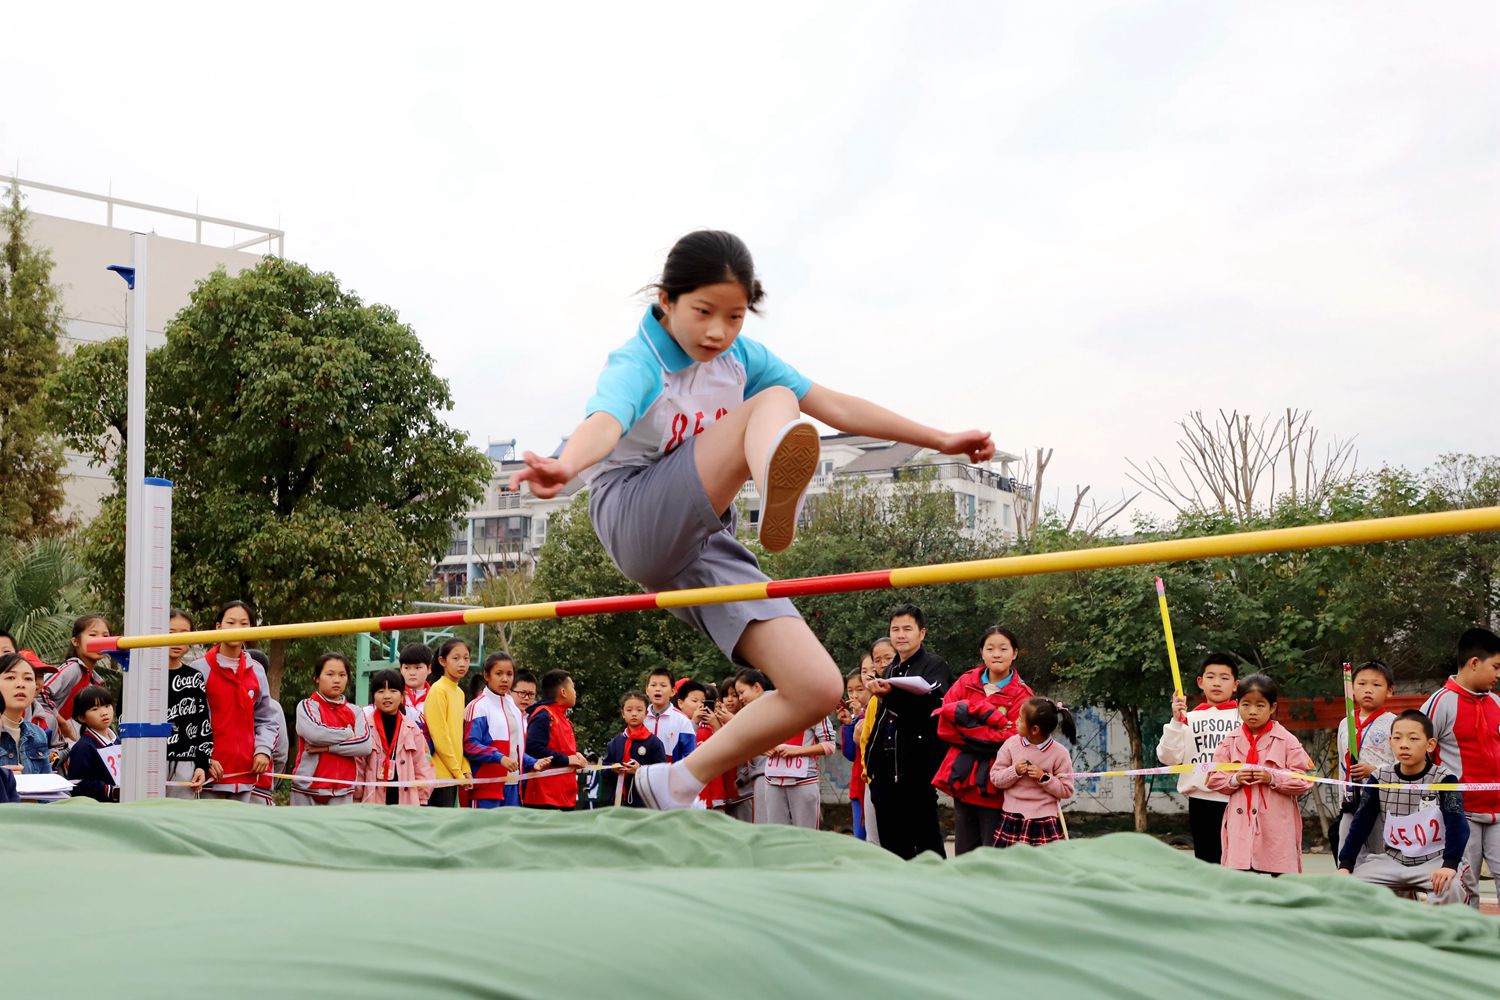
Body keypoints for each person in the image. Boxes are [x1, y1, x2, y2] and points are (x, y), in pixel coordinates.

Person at [509, 231, 994, 811]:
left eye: (735, 317)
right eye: (703, 313)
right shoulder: (639, 360)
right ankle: (773, 485)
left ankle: (676, 781)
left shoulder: (741, 359)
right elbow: (606, 420)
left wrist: (940, 439)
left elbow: (838, 406)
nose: (718, 332)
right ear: (666, 300)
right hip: (635, 511)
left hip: (705, 537)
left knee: (816, 685)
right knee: (774, 405)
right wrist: (565, 464)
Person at [1338, 709, 1476, 906]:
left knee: (1448, 886)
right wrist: (1346, 864)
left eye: (1413, 738)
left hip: (1434, 860)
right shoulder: (1380, 778)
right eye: (1397, 738)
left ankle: (1448, 933)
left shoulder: (1445, 779)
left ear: (1430, 745)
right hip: (1392, 860)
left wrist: (1450, 864)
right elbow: (1361, 824)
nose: (1404, 744)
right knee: (1349, 886)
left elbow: (1457, 824)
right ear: (1390, 741)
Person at [933, 626, 1035, 854]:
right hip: (963, 781)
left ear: (1015, 653)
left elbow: (1013, 740)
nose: (996, 654)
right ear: (982, 653)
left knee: (994, 853)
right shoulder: (965, 682)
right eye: (990, 648)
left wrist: (967, 729)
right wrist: (989, 731)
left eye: (1003, 648)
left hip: (997, 786)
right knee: (964, 853)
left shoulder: (1023, 695)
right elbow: (945, 727)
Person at [863, 604, 953, 859]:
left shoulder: (934, 665)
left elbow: (935, 709)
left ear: (921, 633)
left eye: (907, 629)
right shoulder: (892, 670)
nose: (900, 635)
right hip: (883, 772)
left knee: (927, 846)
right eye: (895, 629)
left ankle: (934, 895)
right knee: (893, 848)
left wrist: (892, 696)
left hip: (916, 771)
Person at [1420, 626, 1500, 907]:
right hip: (1460, 813)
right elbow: (1419, 755)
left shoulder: (1497, 703)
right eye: (1496, 666)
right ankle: (1467, 946)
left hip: (1498, 813)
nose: (1498, 674)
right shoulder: (1439, 703)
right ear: (1475, 662)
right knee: (1466, 886)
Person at [1204, 674, 1314, 875]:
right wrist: (1235, 778)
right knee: (1242, 884)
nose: (1252, 711)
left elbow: (1305, 780)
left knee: (1282, 885)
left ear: (1272, 707)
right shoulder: (1230, 741)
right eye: (1246, 705)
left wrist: (1272, 778)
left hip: (1277, 826)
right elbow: (1213, 778)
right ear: (1237, 705)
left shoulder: (1287, 740)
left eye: (1260, 706)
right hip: (1240, 827)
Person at [190, 602, 281, 802]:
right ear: (218, 627)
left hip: (246, 776)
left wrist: (263, 751)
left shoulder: (256, 671)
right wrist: (203, 759)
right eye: (230, 622)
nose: (236, 629)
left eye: (243, 623)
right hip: (209, 777)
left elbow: (267, 719)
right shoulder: (199, 670)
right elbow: (190, 722)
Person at [1155, 653, 1241, 864]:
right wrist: (1176, 722)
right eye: (1211, 677)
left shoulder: (1244, 717)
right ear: (1200, 682)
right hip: (1202, 800)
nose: (1217, 683)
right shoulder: (1188, 718)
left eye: (1224, 677)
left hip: (1239, 798)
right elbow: (1167, 757)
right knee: (1207, 862)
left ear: (1236, 685)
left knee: (1239, 861)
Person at [990, 698, 1076, 848]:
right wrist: (1014, 770)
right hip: (1012, 818)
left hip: (1043, 820)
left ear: (1035, 729)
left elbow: (1066, 790)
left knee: (1042, 869)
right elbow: (996, 778)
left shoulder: (1059, 753)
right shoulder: (1011, 745)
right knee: (1010, 868)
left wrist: (1043, 777)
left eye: (1021, 719)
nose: (1016, 721)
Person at [1335, 660, 1397, 862]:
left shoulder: (1395, 723)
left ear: (1390, 691)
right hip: (1351, 804)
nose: (1368, 690)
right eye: (1361, 684)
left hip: (1382, 805)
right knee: (1347, 858)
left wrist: (1375, 771)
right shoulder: (1345, 722)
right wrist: (1342, 800)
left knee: (1383, 860)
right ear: (1352, 688)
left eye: (1376, 685)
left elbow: (1403, 766)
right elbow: (1342, 767)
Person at [357, 670, 436, 806]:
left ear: (402, 696)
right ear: (373, 696)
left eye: (393, 691)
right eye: (381, 691)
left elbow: (424, 767)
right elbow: (358, 768)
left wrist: (421, 799)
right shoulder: (363, 728)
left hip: (406, 805)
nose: (387, 696)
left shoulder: (413, 730)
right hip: (371, 804)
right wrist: (356, 799)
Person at [464, 653, 532, 808]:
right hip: (486, 787)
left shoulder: (513, 706)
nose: (505, 679)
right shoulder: (478, 706)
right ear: (486, 675)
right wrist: (499, 758)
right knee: (484, 832)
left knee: (510, 832)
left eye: (509, 674)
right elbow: (469, 745)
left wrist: (533, 762)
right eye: (499, 673)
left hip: (513, 785)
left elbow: (513, 748)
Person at [38, 614, 113, 741]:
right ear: (75, 641)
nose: (100, 640)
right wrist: (61, 723)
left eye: (105, 636)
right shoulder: (73, 668)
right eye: (93, 635)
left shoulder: (93, 678)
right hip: (44, 734)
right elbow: (39, 691)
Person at [761, 706, 837, 829]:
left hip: (803, 780)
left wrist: (797, 751)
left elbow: (829, 746)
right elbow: (753, 739)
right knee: (775, 836)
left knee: (807, 834)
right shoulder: (770, 708)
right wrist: (762, 748)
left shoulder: (814, 710)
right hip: (772, 781)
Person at [523, 669, 588, 810]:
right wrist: (567, 759)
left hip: (564, 795)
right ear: (563, 692)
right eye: (573, 688)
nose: (575, 692)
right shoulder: (544, 714)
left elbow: (562, 750)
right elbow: (532, 747)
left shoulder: (562, 717)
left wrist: (576, 756)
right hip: (545, 796)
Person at [164, 609, 212, 799]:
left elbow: (203, 724)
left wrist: (201, 764)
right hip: (147, 759)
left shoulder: (194, 677)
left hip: (186, 763)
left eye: (184, 634)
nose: (177, 640)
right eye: (170, 633)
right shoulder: (141, 674)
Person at [424, 639, 473, 808]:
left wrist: (464, 769)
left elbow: (458, 736)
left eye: (466, 658)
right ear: (442, 661)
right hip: (439, 775)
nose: (462, 663)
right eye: (456, 658)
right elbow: (440, 737)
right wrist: (458, 772)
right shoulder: (438, 690)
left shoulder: (459, 692)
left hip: (453, 774)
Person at [601, 690, 666, 807]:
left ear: (646, 713)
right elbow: (604, 769)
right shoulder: (615, 742)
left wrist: (640, 770)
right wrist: (613, 769)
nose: (634, 714)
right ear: (623, 713)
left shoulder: (653, 742)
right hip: (618, 801)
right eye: (629, 710)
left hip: (644, 802)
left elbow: (661, 773)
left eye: (639, 710)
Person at [64, 686, 121, 802]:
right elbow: (78, 784)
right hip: (101, 810)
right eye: (95, 709)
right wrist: (111, 791)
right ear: (81, 717)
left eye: (107, 706)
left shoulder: (119, 740)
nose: (104, 712)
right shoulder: (83, 748)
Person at [0, 653, 52, 774]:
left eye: (28, 679)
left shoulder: (38, 734)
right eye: (10, 677)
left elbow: (47, 784)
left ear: (35, 689)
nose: (21, 684)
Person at [733, 669, 773, 820]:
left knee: (766, 823)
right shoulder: (758, 708)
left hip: (767, 773)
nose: (740, 698)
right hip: (762, 774)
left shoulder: (768, 707)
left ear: (757, 687)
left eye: (742, 692)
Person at [837, 668, 869, 839]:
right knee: (861, 834)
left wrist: (861, 716)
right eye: (850, 691)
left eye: (860, 689)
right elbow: (850, 754)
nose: (854, 695)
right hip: (858, 786)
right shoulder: (852, 719)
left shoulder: (877, 713)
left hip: (875, 783)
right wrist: (850, 724)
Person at [644, 668, 697, 762]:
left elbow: (690, 756)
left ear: (673, 691)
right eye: (653, 685)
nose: (658, 689)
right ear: (647, 690)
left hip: (671, 775)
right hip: (643, 775)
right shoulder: (641, 718)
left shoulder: (682, 721)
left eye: (663, 685)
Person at [398, 642, 434, 733]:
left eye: (417, 667)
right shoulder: (394, 695)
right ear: (400, 669)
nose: (412, 673)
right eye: (407, 668)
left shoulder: (436, 696)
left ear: (429, 669)